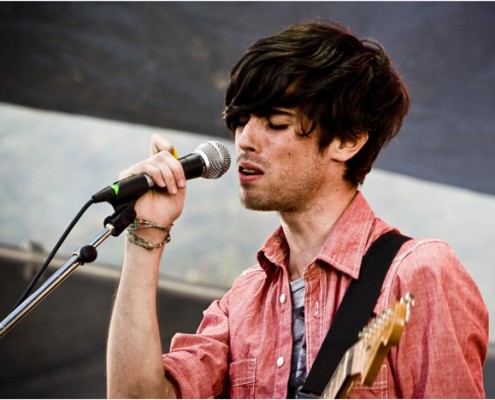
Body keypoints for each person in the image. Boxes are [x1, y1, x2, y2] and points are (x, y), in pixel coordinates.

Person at [106, 20, 488, 398]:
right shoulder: (244, 300)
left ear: (347, 141)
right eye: (240, 121)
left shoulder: (418, 273)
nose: (245, 140)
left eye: (275, 123)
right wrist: (146, 229)